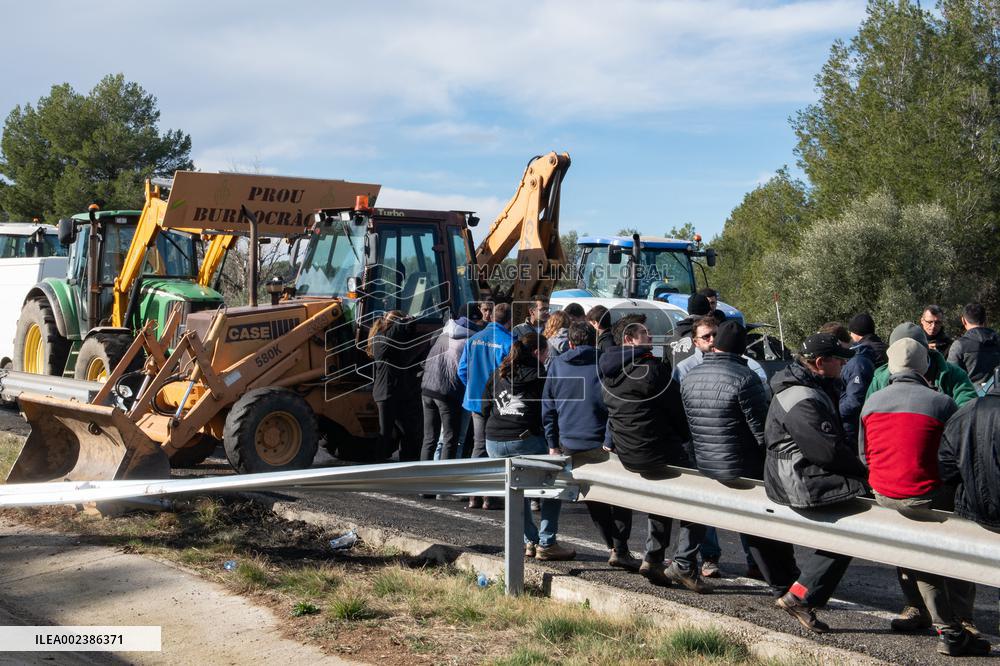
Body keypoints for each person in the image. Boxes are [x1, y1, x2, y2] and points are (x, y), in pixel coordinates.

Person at [860, 339, 988, 657]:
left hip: (884, 493)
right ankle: (957, 624)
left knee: (910, 549)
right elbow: (956, 456)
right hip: (926, 494)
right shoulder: (941, 402)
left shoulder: (871, 402)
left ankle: (919, 609)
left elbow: (864, 455)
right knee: (956, 547)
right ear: (924, 366)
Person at [681, 320, 796, 593]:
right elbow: (761, 430)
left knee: (700, 514)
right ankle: (781, 582)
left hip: (704, 463)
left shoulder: (690, 376)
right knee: (760, 524)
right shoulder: (746, 378)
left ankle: (686, 561)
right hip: (740, 465)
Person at [764, 333, 869, 633]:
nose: (845, 364)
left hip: (798, 471)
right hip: (797, 478)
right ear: (820, 363)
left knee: (856, 522)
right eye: (840, 359)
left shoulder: (813, 385)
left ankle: (799, 590)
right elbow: (826, 451)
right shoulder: (800, 397)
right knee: (857, 524)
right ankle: (801, 594)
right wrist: (864, 472)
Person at [600, 313, 711, 593]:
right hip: (655, 450)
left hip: (627, 453)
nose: (651, 339)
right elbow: (677, 410)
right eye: (646, 335)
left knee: (661, 494)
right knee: (700, 499)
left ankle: (654, 557)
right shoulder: (653, 369)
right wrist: (688, 439)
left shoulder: (608, 371)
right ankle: (684, 564)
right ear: (629, 339)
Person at [543, 321, 640, 570]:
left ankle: (612, 546)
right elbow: (614, 405)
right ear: (594, 341)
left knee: (593, 497)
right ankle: (620, 548)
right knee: (619, 495)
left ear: (571, 343)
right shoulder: (605, 364)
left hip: (570, 442)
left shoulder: (557, 364)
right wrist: (609, 439)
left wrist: (553, 442)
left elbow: (549, 407)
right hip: (602, 440)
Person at [483, 332, 576, 561]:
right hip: (524, 439)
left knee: (516, 490)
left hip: (493, 440)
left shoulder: (499, 372)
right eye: (546, 352)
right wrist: (553, 443)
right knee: (556, 483)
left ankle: (528, 541)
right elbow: (547, 414)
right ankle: (547, 542)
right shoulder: (540, 376)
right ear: (537, 352)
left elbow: (485, 405)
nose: (547, 357)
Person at [458, 302, 514, 509]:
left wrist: (473, 388)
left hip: (475, 400)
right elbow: (511, 376)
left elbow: (462, 370)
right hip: (497, 402)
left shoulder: (473, 340)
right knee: (495, 447)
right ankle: (489, 495)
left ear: (491, 317)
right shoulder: (509, 342)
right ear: (509, 320)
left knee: (478, 445)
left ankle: (475, 494)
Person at [420, 306, 480, 472]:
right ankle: (442, 487)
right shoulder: (472, 340)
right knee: (450, 439)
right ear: (475, 321)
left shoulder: (443, 333)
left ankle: (422, 484)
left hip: (427, 389)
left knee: (429, 438)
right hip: (448, 392)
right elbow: (468, 371)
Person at [867, 323, 978, 406]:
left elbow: (968, 406)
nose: (906, 357)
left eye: (913, 353)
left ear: (926, 351)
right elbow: (868, 414)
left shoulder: (953, 375)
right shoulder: (880, 379)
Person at [368, 311, 423, 462]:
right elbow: (394, 333)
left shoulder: (391, 339)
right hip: (386, 393)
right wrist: (403, 321)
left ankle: (407, 461)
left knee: (407, 431)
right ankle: (378, 464)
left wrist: (410, 322)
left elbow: (405, 332)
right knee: (385, 432)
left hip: (396, 392)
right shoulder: (380, 338)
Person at [674, 316, 769, 392]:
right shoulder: (684, 368)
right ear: (695, 342)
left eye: (715, 335)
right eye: (706, 336)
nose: (712, 339)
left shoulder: (747, 363)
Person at [820, 321, 874, 445]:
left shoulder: (857, 363)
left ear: (837, 342)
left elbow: (855, 401)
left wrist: (831, 412)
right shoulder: (851, 361)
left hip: (850, 430)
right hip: (844, 427)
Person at [947, 303, 1000, 385]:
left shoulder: (959, 345)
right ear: (985, 319)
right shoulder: (997, 340)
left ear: (963, 320)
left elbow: (950, 378)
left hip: (971, 395)